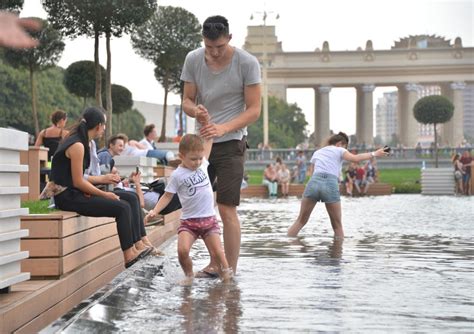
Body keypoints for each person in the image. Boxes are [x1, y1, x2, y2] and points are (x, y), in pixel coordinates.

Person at [181, 15, 261, 274]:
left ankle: (230, 269)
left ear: (229, 38)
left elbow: (254, 109)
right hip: (201, 144)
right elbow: (187, 100)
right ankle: (216, 261)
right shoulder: (193, 59)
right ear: (203, 41)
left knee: (226, 208)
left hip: (232, 143)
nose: (214, 53)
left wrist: (223, 127)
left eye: (219, 47)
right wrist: (197, 112)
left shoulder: (247, 63)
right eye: (209, 47)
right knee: (198, 206)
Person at [50, 107, 150, 268]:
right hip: (67, 197)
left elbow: (79, 180)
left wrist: (104, 181)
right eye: (104, 126)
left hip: (76, 193)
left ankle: (138, 244)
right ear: (98, 126)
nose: (104, 129)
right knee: (122, 208)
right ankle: (129, 255)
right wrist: (105, 195)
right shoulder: (77, 145)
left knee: (130, 198)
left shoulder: (82, 141)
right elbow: (78, 181)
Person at [145, 134, 233, 283]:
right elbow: (167, 196)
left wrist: (210, 128)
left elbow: (208, 143)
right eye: (193, 159)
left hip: (209, 220)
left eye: (200, 158)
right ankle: (189, 276)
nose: (197, 162)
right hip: (189, 222)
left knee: (219, 253)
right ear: (182, 156)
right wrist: (155, 210)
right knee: (182, 251)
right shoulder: (177, 175)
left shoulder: (203, 163)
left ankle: (228, 280)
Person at [287, 132, 388, 239]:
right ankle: (338, 254)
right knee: (337, 226)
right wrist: (374, 154)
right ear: (340, 143)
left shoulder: (317, 152)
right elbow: (355, 158)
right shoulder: (340, 149)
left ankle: (288, 244)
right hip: (330, 183)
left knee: (301, 220)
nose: (346, 149)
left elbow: (311, 173)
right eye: (346, 147)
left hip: (314, 182)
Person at [98, 134, 181, 213]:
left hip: (158, 198)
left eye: (123, 146)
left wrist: (129, 179)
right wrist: (136, 183)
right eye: (120, 145)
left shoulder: (109, 158)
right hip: (160, 203)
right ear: (111, 145)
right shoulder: (105, 155)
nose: (122, 148)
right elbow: (104, 179)